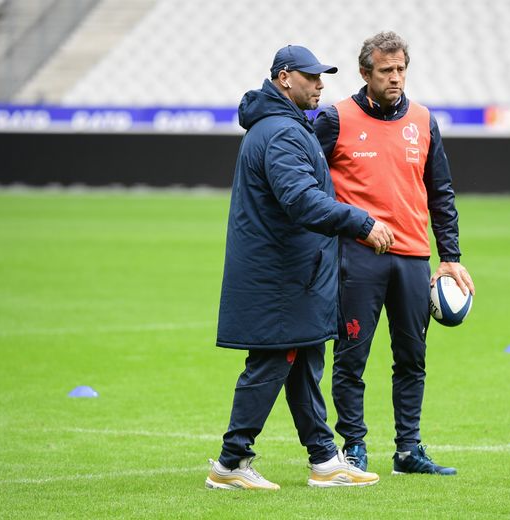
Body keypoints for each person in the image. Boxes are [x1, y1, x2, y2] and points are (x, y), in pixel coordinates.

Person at [205, 45, 393, 490]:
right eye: (311, 76)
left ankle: (325, 459)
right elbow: (301, 200)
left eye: (321, 76)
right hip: (280, 275)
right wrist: (361, 222)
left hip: (293, 272)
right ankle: (231, 461)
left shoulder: (284, 126)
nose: (320, 84)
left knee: (305, 360)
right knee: (273, 361)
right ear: (285, 78)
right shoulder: (282, 132)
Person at [314, 31, 476, 476]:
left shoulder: (423, 121)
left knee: (412, 358)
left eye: (401, 69)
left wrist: (450, 256)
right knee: (351, 358)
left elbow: (441, 193)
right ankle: (354, 447)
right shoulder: (335, 119)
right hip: (357, 257)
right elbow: (308, 185)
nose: (396, 77)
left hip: (413, 258)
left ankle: (408, 450)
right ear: (365, 73)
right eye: (386, 70)